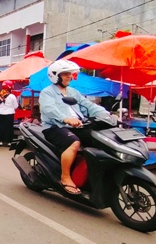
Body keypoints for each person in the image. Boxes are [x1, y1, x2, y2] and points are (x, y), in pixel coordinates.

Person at [39, 60, 108, 195]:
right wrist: (65, 119)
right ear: (55, 76)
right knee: (74, 142)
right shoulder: (47, 93)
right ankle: (65, 177)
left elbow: (89, 105)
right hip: (54, 127)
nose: (69, 76)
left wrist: (106, 114)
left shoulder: (73, 92)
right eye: (65, 74)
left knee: (101, 139)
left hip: (77, 126)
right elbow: (49, 109)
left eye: (70, 74)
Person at [0, 80, 19, 146]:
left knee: (0, 127)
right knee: (9, 128)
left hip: (0, 113)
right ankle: (9, 142)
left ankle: (0, 141)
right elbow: (16, 106)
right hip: (9, 114)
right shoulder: (12, 96)